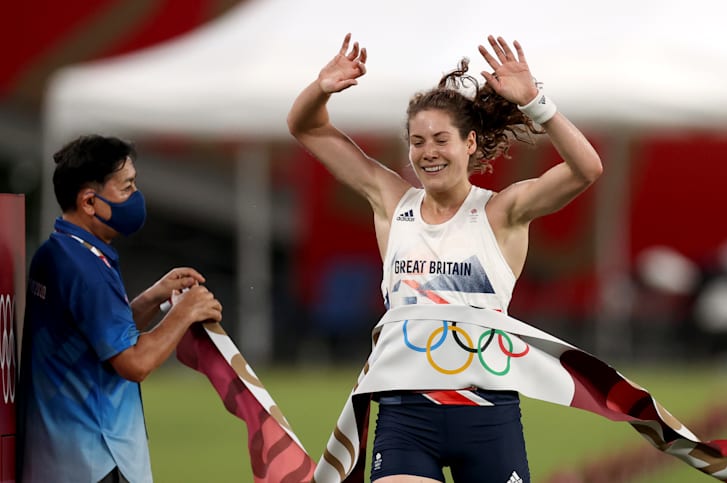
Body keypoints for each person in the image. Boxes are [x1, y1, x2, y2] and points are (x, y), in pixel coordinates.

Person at [288, 33, 602, 483]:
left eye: (440, 139)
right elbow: (307, 128)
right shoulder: (392, 203)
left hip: (487, 415)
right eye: (417, 142)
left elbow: (586, 170)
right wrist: (321, 87)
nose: (428, 153)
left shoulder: (502, 211)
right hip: (405, 415)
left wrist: (536, 102)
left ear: (470, 143)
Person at [17, 134, 224, 483]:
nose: (136, 197)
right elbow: (134, 362)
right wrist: (184, 312)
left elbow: (94, 336)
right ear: (89, 201)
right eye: (127, 187)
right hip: (95, 459)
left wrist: (152, 298)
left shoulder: (59, 251)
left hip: (56, 457)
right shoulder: (85, 269)